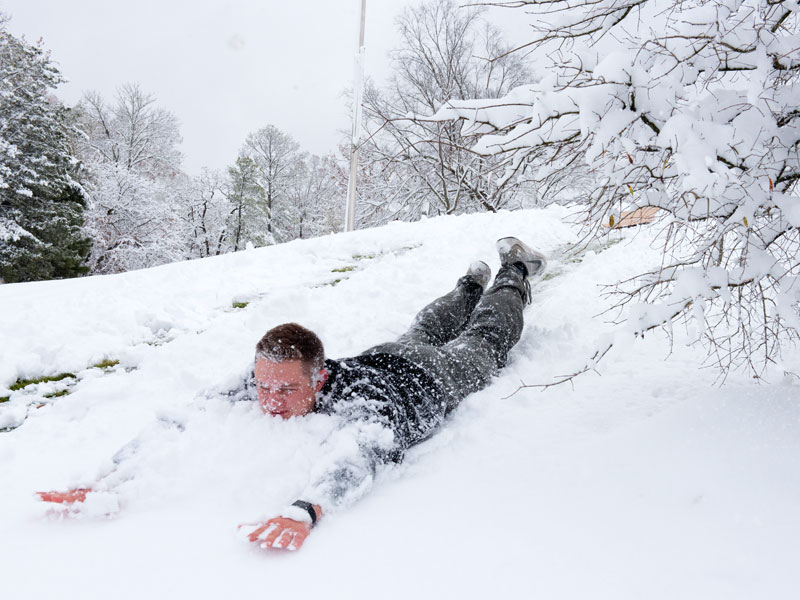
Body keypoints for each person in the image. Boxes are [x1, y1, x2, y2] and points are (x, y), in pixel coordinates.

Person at [39, 236, 546, 553]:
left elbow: (361, 453)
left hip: (431, 377)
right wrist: (108, 477)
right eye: (263, 385)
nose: (270, 399)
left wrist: (308, 507)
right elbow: (180, 420)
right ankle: (467, 282)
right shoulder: (269, 376)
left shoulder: (362, 401)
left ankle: (515, 269)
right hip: (387, 352)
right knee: (419, 327)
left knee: (483, 338)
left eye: (287, 388)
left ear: (319, 379)